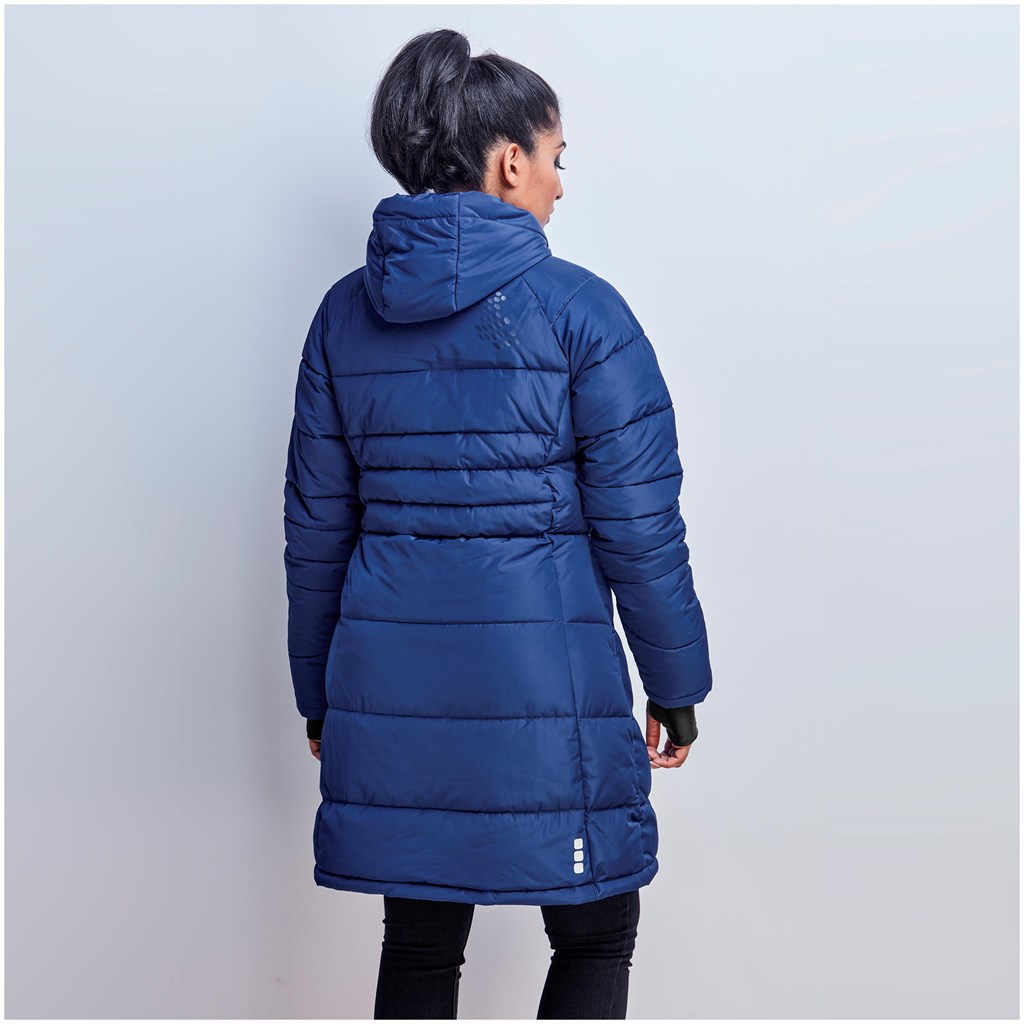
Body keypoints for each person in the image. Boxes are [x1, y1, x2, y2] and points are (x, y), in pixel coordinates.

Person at [282, 27, 713, 1020]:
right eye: (557, 157)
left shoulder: (343, 317)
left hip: (388, 692)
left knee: (419, 941)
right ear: (511, 160)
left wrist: (320, 698)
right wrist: (677, 682)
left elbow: (316, 532)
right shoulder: (582, 313)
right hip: (548, 689)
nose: (560, 184)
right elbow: (642, 525)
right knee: (595, 932)